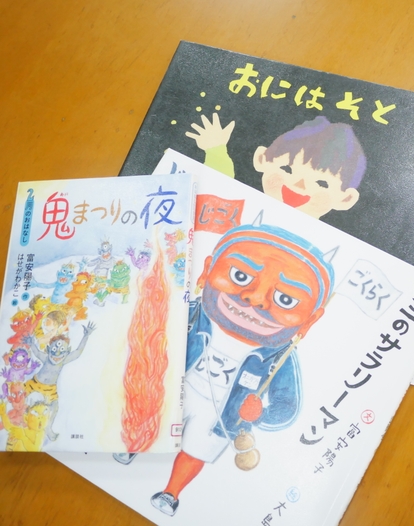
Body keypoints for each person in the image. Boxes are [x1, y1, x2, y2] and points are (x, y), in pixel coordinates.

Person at [150, 222, 334, 516]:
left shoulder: (280, 357)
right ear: (207, 270)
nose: (255, 299)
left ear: (310, 320)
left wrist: (259, 414)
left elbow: (287, 406)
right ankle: (130, 447)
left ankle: (170, 493)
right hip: (174, 387)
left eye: (286, 299)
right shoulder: (194, 313)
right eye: (240, 275)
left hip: (221, 417)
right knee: (152, 421)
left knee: (195, 450)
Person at [186, 113, 366, 219]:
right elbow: (219, 191)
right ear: (261, 159)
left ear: (345, 199)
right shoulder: (244, 209)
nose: (299, 185)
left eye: (322, 183)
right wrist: (215, 150)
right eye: (286, 169)